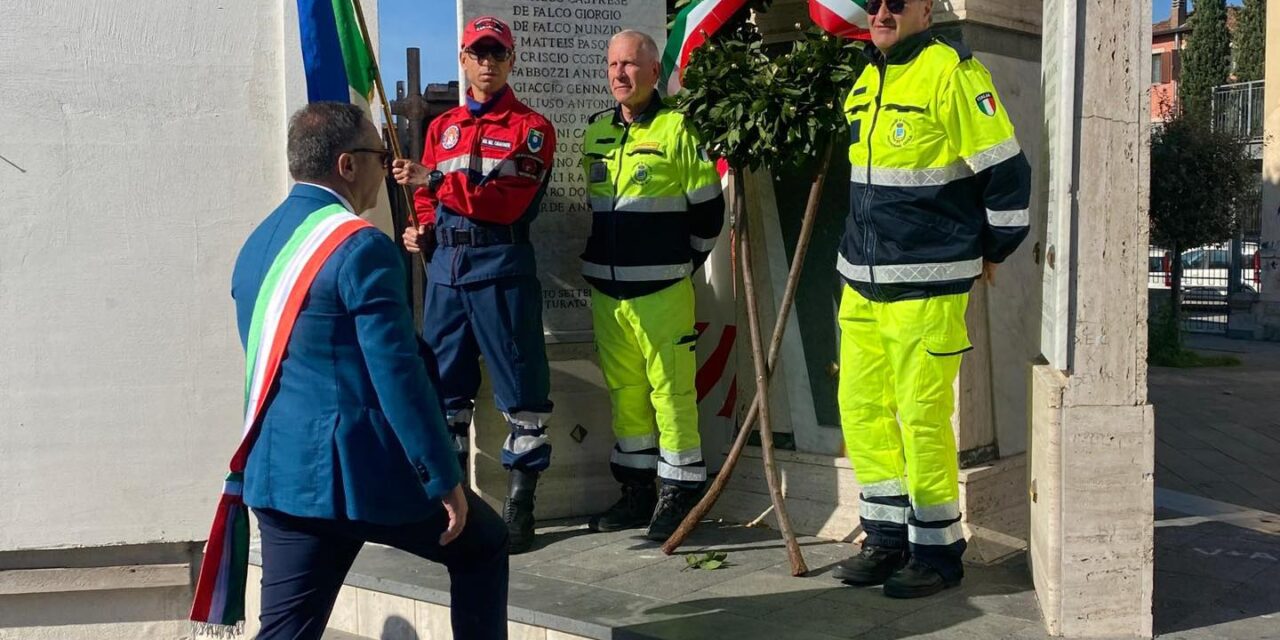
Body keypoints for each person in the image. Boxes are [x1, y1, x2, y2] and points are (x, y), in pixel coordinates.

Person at [228, 102, 508, 639]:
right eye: (379, 155)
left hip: (280, 474)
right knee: (484, 544)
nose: (387, 166)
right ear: (346, 165)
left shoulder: (258, 243)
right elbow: (397, 374)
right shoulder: (361, 248)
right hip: (357, 474)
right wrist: (443, 477)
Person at [831, 0, 1031, 598]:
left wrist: (993, 249)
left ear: (925, 8)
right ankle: (886, 539)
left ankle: (938, 552)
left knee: (920, 419)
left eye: (897, 1)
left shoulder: (953, 72)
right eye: (874, 2)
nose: (882, 11)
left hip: (926, 278)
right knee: (864, 412)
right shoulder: (867, 77)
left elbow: (1008, 173)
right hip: (862, 283)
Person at [394, 15, 556, 554]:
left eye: (497, 53)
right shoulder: (443, 129)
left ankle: (521, 508)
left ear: (511, 61)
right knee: (444, 391)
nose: (487, 62)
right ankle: (453, 505)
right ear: (462, 59)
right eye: (477, 53)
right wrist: (422, 229)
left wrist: (436, 181)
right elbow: (426, 201)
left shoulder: (530, 128)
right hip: (447, 273)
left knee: (522, 390)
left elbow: (507, 198)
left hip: (500, 265)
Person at [577, 30, 724, 541]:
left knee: (672, 391)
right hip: (607, 291)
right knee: (627, 393)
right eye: (613, 64)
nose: (621, 73)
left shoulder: (679, 128)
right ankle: (637, 490)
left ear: (654, 72)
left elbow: (709, 213)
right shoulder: (596, 131)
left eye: (631, 65)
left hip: (662, 290)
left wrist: (682, 265)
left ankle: (680, 492)